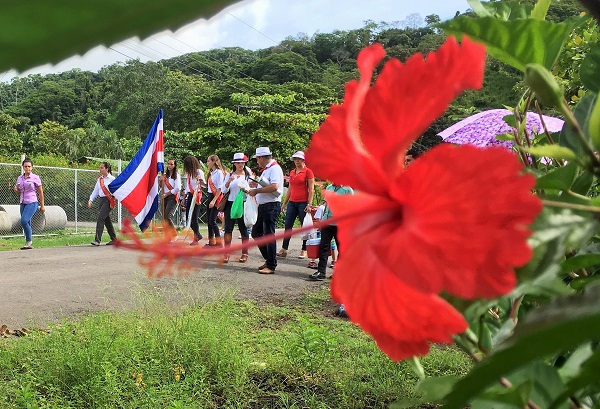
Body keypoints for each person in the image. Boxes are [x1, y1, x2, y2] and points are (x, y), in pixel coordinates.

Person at [247, 146, 284, 274]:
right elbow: (267, 185)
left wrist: (256, 190)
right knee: (256, 233)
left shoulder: (274, 168)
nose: (257, 161)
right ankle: (269, 260)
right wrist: (255, 185)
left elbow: (274, 186)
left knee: (268, 235)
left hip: (271, 205)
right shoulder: (268, 169)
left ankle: (271, 265)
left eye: (257, 158)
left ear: (262, 158)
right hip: (265, 205)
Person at [309, 183, 354, 280]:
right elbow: (326, 204)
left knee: (341, 249)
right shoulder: (329, 187)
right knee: (323, 247)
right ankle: (321, 272)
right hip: (327, 222)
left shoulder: (347, 190)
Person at [278, 151, 314, 259]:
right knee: (288, 225)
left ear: (303, 160)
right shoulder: (292, 172)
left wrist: (309, 204)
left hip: (303, 203)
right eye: (295, 159)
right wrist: (284, 203)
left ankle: (304, 249)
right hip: (292, 203)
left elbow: (311, 190)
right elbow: (290, 189)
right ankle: (284, 249)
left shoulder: (308, 172)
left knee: (304, 227)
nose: (296, 161)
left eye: (298, 159)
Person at [221, 152, 252, 263]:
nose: (240, 165)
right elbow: (223, 190)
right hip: (230, 203)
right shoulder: (229, 175)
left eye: (242, 163)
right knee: (228, 228)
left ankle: (244, 253)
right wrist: (228, 182)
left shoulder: (248, 176)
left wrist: (246, 189)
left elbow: (251, 191)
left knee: (244, 229)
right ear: (234, 163)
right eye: (238, 163)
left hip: (243, 203)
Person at [13, 158, 45, 250]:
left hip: (32, 202)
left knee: (23, 220)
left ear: (32, 167)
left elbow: (40, 193)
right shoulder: (20, 178)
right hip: (22, 202)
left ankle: (29, 240)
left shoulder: (35, 178)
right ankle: (29, 243)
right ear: (23, 167)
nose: (27, 168)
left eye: (29, 166)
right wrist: (16, 189)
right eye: (25, 166)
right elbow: (18, 189)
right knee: (28, 222)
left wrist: (42, 206)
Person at [88, 162, 117, 246]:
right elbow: (96, 191)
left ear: (106, 169)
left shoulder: (112, 179)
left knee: (100, 218)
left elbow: (116, 190)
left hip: (108, 201)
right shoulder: (99, 180)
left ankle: (97, 240)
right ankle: (114, 239)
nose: (100, 169)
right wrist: (91, 199)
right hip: (101, 200)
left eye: (101, 168)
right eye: (100, 168)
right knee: (107, 221)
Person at [183, 155, 206, 245]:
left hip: (196, 195)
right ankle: (197, 234)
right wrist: (184, 198)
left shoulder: (198, 172)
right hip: (190, 195)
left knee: (194, 218)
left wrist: (200, 181)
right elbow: (187, 187)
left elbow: (204, 185)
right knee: (189, 218)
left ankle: (196, 238)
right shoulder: (189, 173)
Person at [206, 154, 226, 246]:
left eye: (208, 161)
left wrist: (214, 201)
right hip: (210, 195)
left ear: (214, 162)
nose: (207, 163)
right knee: (209, 220)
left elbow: (219, 188)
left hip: (216, 197)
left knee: (212, 220)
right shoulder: (211, 173)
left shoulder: (219, 173)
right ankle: (211, 241)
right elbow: (209, 187)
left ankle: (218, 242)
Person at [162, 158, 181, 230]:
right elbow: (162, 186)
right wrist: (161, 181)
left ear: (175, 165)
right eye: (168, 164)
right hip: (165, 197)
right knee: (164, 217)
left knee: (167, 216)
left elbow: (178, 188)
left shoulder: (176, 175)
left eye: (171, 164)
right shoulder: (165, 175)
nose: (169, 166)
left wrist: (167, 194)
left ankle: (174, 234)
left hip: (172, 197)